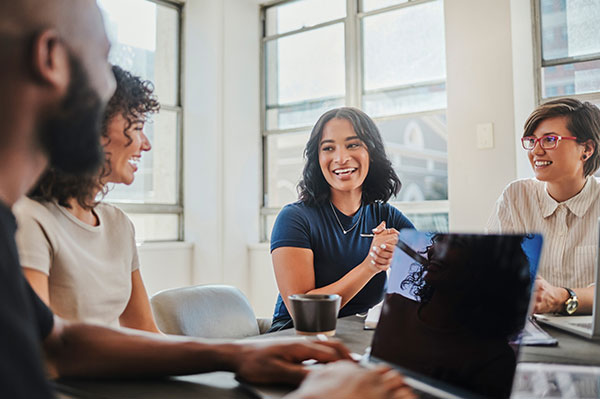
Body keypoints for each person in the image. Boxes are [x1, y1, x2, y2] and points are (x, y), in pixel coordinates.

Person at [0, 1, 413, 398]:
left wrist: (237, 353)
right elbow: (51, 357)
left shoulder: (92, 224)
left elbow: (61, 340)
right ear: (52, 58)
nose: (145, 142)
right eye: (102, 58)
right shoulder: (26, 222)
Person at [14, 65, 160, 332]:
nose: (146, 144)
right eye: (137, 127)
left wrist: (221, 358)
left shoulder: (119, 224)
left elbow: (146, 330)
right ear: (95, 128)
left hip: (121, 374)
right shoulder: (29, 219)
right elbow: (45, 345)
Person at [270, 107, 414, 331]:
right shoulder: (294, 219)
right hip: (298, 337)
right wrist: (371, 264)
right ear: (317, 159)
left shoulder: (386, 216)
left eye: (353, 145)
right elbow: (305, 313)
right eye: (328, 148)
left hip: (359, 335)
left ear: (371, 153)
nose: (341, 158)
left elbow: (434, 269)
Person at [372, 234, 531, 398]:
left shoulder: (494, 359)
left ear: (486, 268)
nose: (435, 249)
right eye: (440, 240)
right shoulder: (393, 306)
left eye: (457, 244)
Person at [487, 98, 600, 315]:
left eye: (549, 140)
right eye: (532, 140)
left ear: (586, 149)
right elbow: (491, 271)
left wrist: (562, 298)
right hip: (526, 331)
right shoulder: (515, 197)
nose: (536, 151)